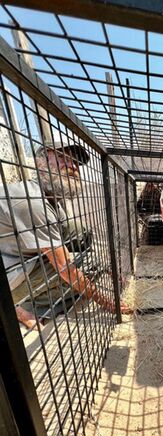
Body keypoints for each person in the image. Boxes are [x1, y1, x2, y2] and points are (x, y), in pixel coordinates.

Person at [0, 139, 132, 330]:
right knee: (84, 269)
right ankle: (20, 307)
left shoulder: (51, 197)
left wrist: (113, 273)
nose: (72, 167)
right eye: (62, 158)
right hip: (8, 278)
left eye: (76, 162)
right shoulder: (33, 202)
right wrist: (109, 303)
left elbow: (71, 235)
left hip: (23, 256)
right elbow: (66, 269)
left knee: (80, 231)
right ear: (41, 163)